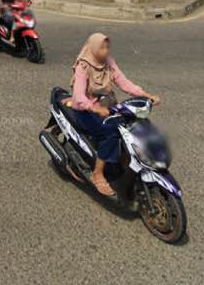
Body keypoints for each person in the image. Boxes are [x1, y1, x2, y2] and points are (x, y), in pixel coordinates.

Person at [65, 32, 160, 196]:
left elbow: (124, 82)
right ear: (94, 48)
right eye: (102, 47)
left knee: (132, 125)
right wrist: (93, 108)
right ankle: (98, 174)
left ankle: (125, 162)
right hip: (84, 111)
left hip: (106, 106)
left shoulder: (108, 62)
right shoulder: (83, 67)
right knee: (111, 132)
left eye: (108, 46)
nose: (106, 50)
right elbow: (79, 96)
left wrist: (146, 94)